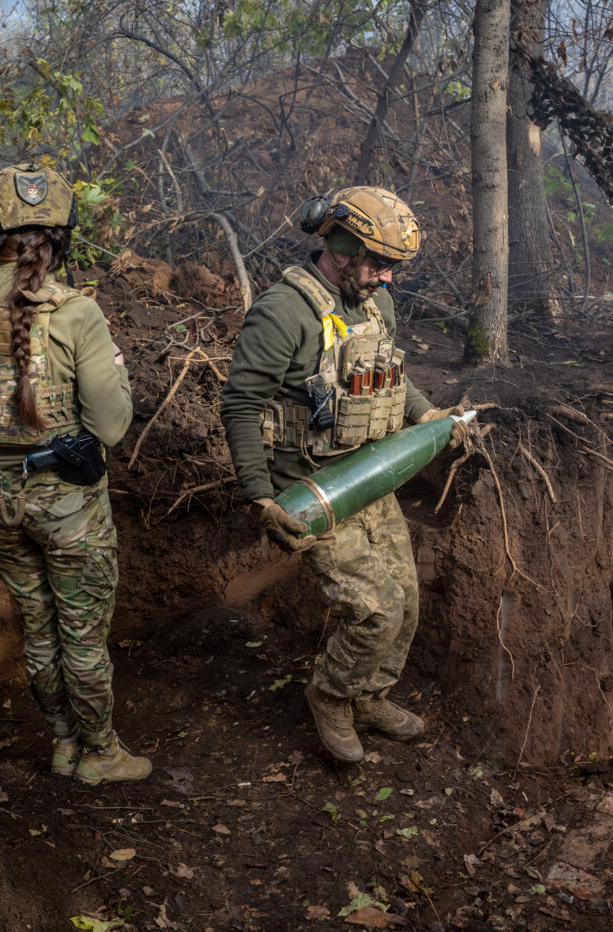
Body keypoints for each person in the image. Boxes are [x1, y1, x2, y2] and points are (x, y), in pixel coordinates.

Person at [0, 163, 150, 785]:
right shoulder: (77, 312)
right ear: (60, 237)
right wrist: (117, 368)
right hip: (69, 504)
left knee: (39, 627)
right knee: (82, 633)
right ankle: (101, 754)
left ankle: (64, 744)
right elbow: (110, 427)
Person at [220, 186, 468, 764]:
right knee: (375, 610)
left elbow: (390, 374)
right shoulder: (284, 312)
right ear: (340, 246)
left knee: (406, 603)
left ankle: (369, 697)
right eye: (379, 263)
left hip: (370, 476)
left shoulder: (377, 304)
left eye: (393, 266)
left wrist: (425, 414)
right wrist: (260, 496)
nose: (388, 277)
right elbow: (240, 405)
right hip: (314, 491)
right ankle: (331, 697)